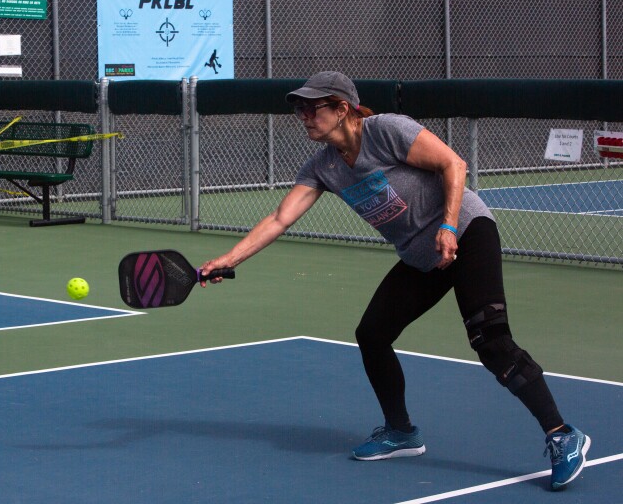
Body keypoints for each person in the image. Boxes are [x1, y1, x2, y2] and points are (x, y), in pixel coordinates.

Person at [199, 71, 590, 491]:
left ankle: (562, 434)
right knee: (372, 333)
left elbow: (452, 163)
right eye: (299, 109)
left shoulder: (386, 130)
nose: (304, 116)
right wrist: (227, 258)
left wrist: (448, 226)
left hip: (468, 232)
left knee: (491, 341)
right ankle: (401, 432)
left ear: (343, 109)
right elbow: (280, 218)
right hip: (421, 257)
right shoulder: (324, 167)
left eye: (313, 108)